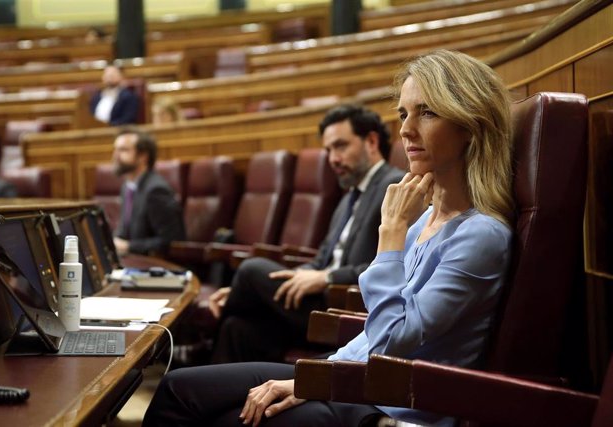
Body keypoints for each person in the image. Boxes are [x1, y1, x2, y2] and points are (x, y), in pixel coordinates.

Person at [143, 49, 515, 427]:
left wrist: (390, 234)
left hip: (391, 406)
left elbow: (391, 344)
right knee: (179, 389)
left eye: (427, 112)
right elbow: (372, 338)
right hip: (357, 380)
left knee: (224, 417)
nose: (405, 129)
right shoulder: (424, 223)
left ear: (470, 126)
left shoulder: (480, 235)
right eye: (404, 113)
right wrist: (316, 375)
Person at [208, 104, 405, 364]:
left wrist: (327, 277)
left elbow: (394, 267)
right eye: (328, 150)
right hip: (319, 300)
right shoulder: (348, 197)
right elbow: (322, 258)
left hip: (346, 306)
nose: (333, 158)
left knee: (250, 269)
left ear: (371, 141)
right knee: (238, 328)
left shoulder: (395, 189)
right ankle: (219, 399)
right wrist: (301, 275)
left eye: (341, 146)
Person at [112, 128, 186, 256]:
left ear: (142, 156)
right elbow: (126, 232)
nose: (115, 156)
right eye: (116, 149)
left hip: (158, 266)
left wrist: (129, 246)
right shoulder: (127, 186)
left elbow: (171, 241)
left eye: (123, 150)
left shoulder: (156, 191)